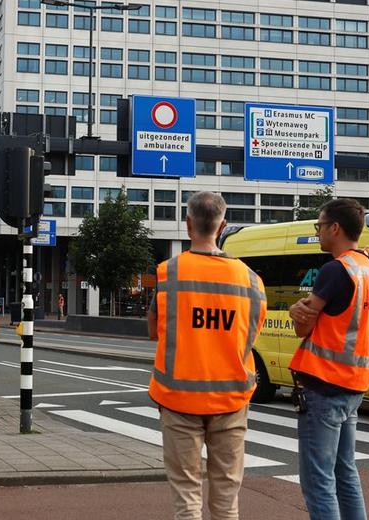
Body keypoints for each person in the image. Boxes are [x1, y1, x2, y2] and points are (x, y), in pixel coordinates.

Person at [147, 191, 267, 520]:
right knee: (226, 498)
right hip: (231, 400)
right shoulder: (251, 280)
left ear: (188, 225)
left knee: (187, 496)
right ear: (223, 226)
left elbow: (153, 330)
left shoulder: (167, 274)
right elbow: (250, 336)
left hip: (179, 400)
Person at [288, 198, 369, 520]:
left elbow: (304, 324)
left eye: (319, 226)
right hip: (354, 384)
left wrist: (294, 312)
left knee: (318, 479)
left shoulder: (335, 270)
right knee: (345, 473)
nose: (318, 232)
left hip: (325, 383)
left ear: (335, 228)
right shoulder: (368, 271)